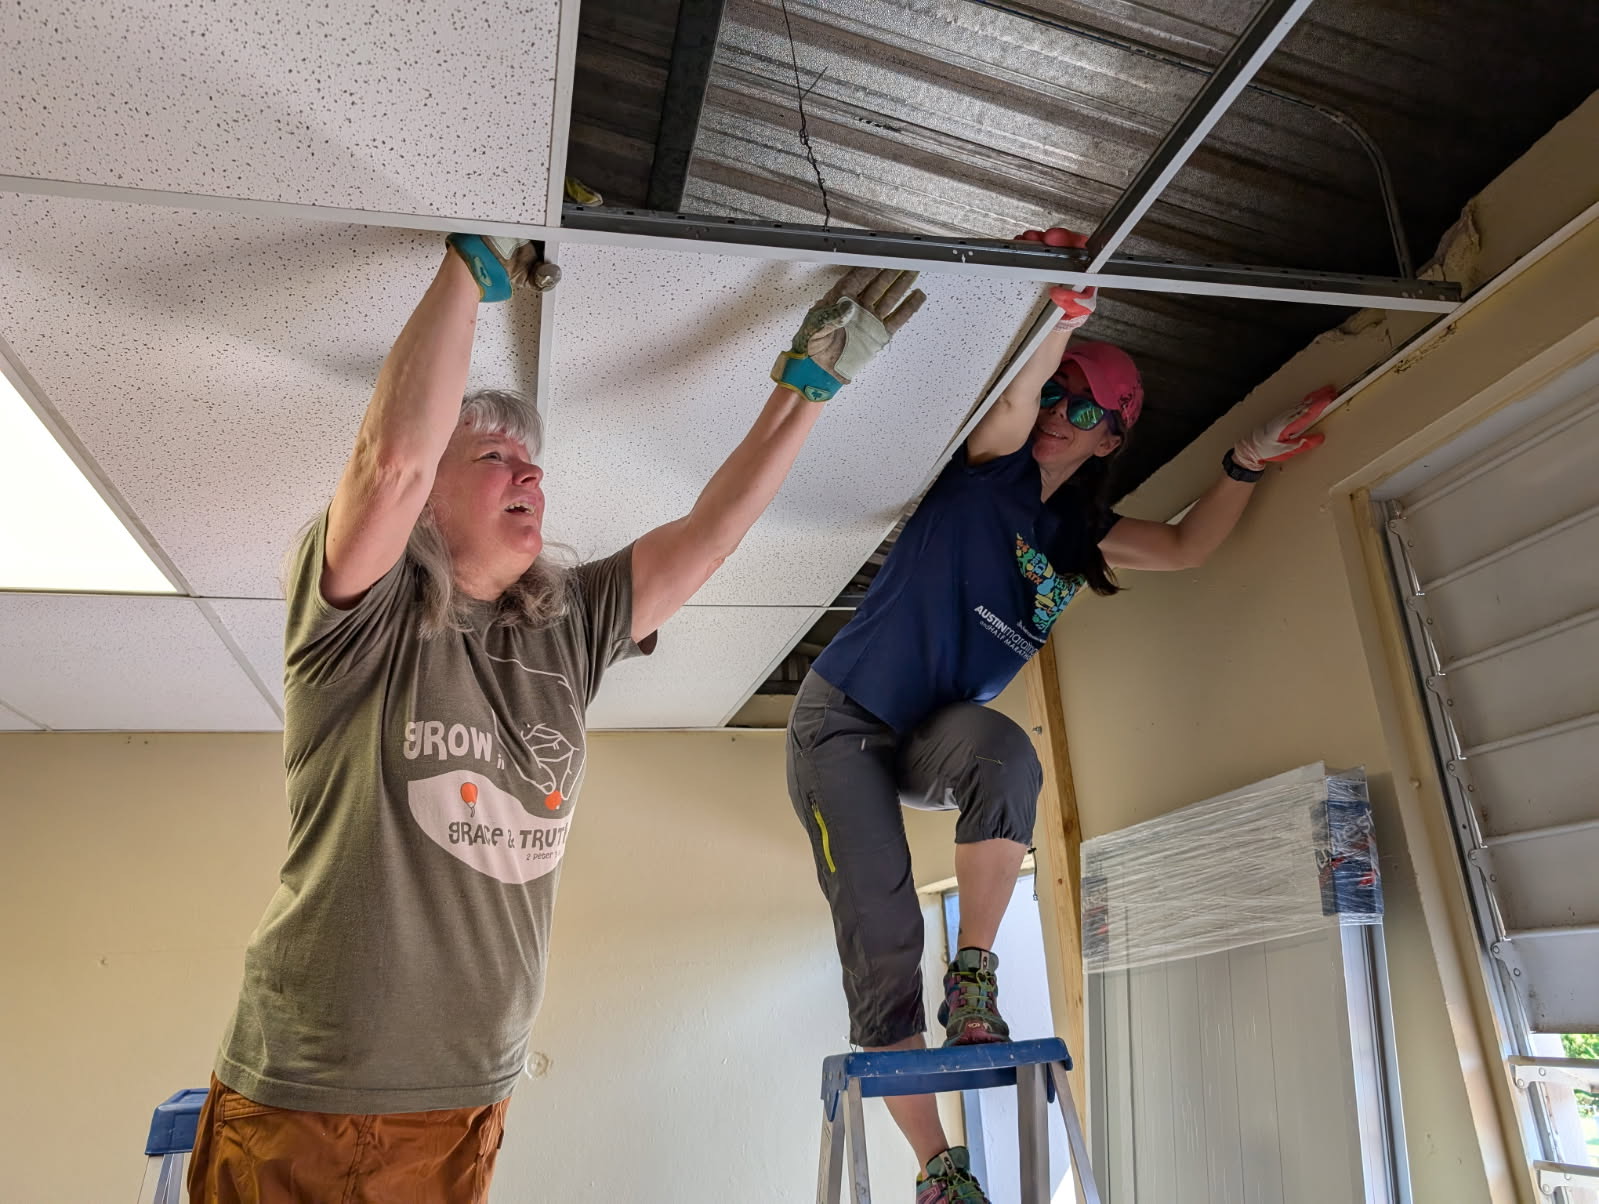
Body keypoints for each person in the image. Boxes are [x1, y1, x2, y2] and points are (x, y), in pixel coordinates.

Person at [188, 237, 925, 1203]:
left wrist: (805, 389)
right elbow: (391, 461)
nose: (527, 477)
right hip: (313, 1091)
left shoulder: (566, 633)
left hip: (469, 1101)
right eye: (494, 458)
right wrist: (470, 267)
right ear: (426, 509)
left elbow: (709, 537)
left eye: (532, 464)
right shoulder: (358, 623)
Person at [785, 227, 1333, 1203]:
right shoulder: (988, 469)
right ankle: (939, 1168)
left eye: (1083, 410)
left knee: (1008, 753)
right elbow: (1008, 401)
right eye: (1056, 394)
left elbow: (1188, 545)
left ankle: (976, 980)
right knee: (878, 928)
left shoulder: (1082, 537)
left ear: (1110, 438)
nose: (1057, 414)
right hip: (841, 724)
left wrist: (1247, 462)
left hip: (930, 734)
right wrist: (1064, 310)